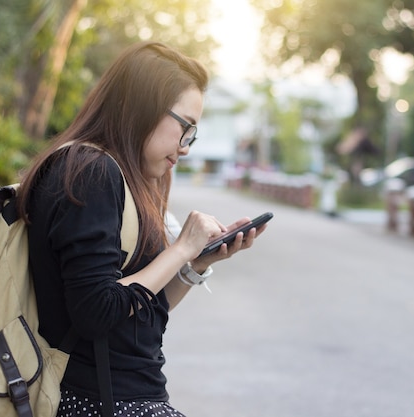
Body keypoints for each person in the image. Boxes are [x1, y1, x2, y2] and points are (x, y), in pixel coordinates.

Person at [15, 41, 267, 417]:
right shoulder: (92, 172)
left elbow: (140, 315)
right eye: (186, 128)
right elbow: (95, 312)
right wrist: (179, 249)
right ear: (140, 106)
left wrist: (195, 263)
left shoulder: (117, 176)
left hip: (125, 396)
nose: (185, 148)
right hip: (97, 400)